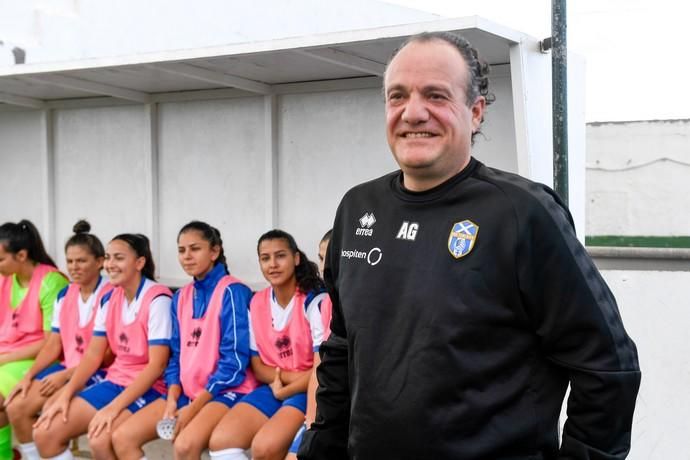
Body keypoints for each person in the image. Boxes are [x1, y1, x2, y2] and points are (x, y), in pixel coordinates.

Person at [298, 32, 641, 460]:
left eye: (436, 95)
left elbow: (608, 365)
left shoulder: (523, 212)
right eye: (397, 96)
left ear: (475, 112)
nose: (413, 111)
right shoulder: (357, 209)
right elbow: (343, 346)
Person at [111, 221, 257, 460]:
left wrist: (194, 407)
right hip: (186, 393)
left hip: (225, 390)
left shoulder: (233, 291)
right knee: (122, 437)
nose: (187, 256)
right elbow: (175, 355)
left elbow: (234, 363)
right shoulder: (180, 296)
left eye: (195, 249)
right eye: (181, 250)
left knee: (184, 445)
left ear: (214, 251)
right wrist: (171, 397)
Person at [33, 233, 172, 460]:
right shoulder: (110, 298)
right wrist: (66, 394)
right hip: (116, 380)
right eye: (108, 258)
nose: (110, 265)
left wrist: (113, 407)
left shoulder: (158, 299)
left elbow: (157, 366)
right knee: (45, 431)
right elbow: (93, 355)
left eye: (118, 258)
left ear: (139, 263)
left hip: (151, 386)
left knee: (99, 438)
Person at [209, 230, 326, 460]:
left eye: (280, 256)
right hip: (273, 387)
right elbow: (258, 366)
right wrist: (282, 383)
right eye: (265, 258)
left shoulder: (314, 299)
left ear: (296, 258)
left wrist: (288, 385)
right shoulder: (257, 302)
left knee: (265, 447)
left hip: (308, 389)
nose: (272, 264)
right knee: (221, 443)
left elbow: (321, 368)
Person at [4, 220, 112, 460]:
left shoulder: (110, 294)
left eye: (82, 261)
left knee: (50, 419)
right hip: (68, 368)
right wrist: (29, 376)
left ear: (100, 262)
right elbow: (53, 344)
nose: (74, 267)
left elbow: (107, 354)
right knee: (16, 406)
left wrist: (66, 375)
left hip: (101, 371)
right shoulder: (65, 294)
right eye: (70, 261)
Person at [0, 220, 69, 460]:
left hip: (39, 359)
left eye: (0, 259)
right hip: (7, 357)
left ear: (21, 255)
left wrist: (5, 358)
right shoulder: (5, 278)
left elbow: (52, 342)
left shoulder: (52, 281)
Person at [286, 230, 333, 460]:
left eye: (332, 258)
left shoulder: (366, 303)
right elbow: (319, 367)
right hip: (327, 405)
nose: (324, 267)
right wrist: (311, 421)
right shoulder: (326, 304)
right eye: (321, 258)